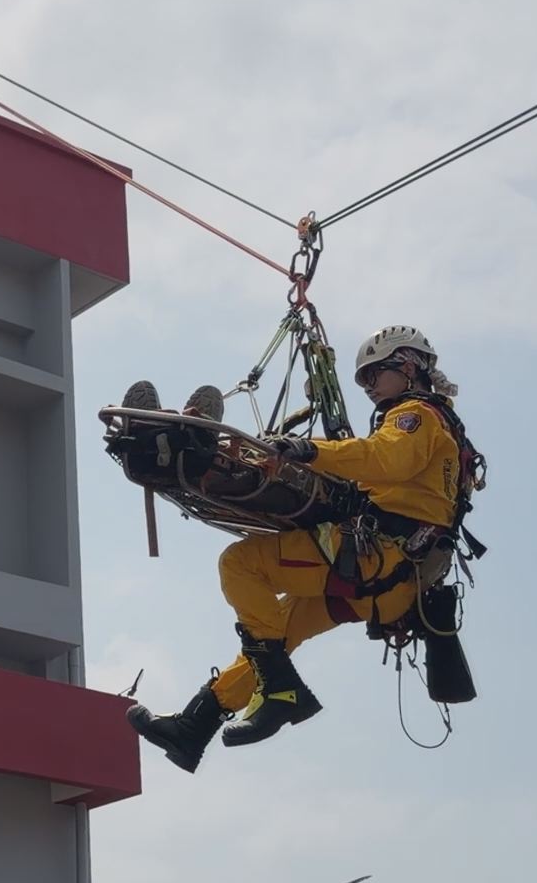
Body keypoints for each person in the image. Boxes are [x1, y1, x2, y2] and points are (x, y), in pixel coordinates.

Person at [122, 325, 482, 772]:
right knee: (276, 630)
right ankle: (196, 724)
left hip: (375, 559)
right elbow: (382, 470)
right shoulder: (446, 427)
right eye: (363, 380)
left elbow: (382, 457)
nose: (368, 387)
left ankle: (280, 692)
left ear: (408, 367)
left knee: (241, 565)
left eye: (374, 375)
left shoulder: (416, 416)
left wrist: (307, 450)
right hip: (395, 586)